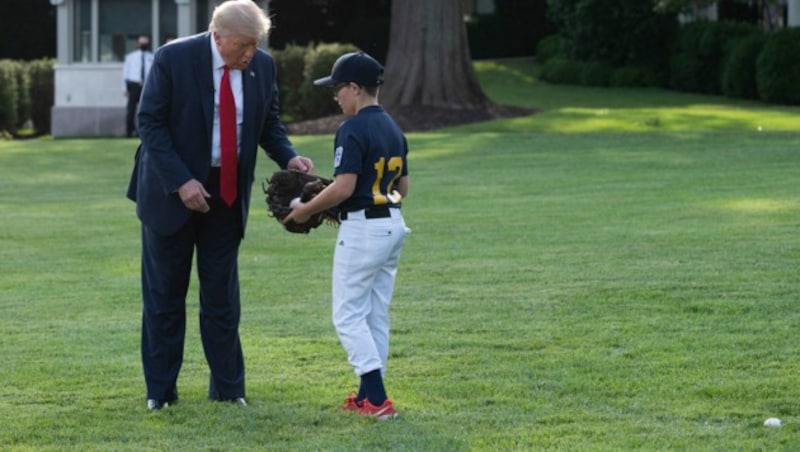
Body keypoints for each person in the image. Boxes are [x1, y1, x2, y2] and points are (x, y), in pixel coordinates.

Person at [126, 0, 314, 411]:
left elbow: (269, 124)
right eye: (244, 45)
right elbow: (150, 123)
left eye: (256, 44)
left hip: (226, 192)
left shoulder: (261, 68)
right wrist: (181, 181)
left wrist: (289, 157)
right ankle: (160, 393)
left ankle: (229, 390)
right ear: (218, 35)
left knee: (222, 296)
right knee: (164, 295)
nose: (250, 53)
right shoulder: (173, 58)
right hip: (170, 190)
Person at [283, 52, 410, 420]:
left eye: (338, 89)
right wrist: (378, 200)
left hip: (365, 230)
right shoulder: (393, 127)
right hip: (392, 223)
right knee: (374, 315)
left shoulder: (352, 128)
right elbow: (402, 187)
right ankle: (365, 397)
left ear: (355, 88)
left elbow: (343, 186)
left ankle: (378, 399)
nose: (335, 97)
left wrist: (306, 209)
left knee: (348, 316)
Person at [122, 35, 154, 138]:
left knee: (146, 110)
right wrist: (125, 88)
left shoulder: (152, 57)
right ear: (138, 44)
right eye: (141, 42)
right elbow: (125, 73)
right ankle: (129, 131)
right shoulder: (131, 57)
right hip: (134, 85)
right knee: (131, 110)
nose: (143, 44)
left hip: (147, 85)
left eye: (145, 42)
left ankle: (143, 132)